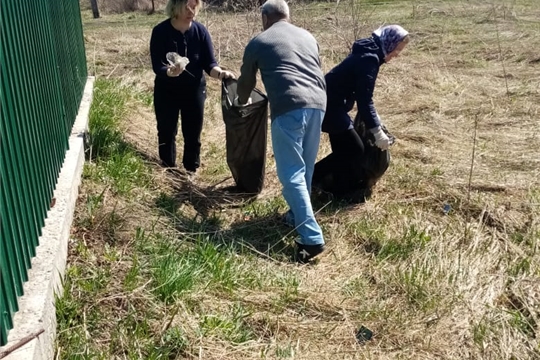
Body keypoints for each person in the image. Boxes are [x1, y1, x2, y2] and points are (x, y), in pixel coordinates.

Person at [236, 0, 327, 263]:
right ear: (288, 16)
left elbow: (246, 83)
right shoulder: (308, 36)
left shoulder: (260, 41)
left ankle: (311, 239)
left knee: (291, 174)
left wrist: (240, 103)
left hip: (289, 106)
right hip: (319, 104)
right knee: (305, 167)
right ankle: (294, 215)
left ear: (265, 17)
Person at [312, 25, 410, 200]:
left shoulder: (370, 54)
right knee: (354, 149)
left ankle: (336, 188)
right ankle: (312, 178)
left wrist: (373, 121)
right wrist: (377, 132)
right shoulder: (370, 59)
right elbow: (365, 100)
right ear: (389, 43)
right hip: (329, 105)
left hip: (331, 103)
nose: (397, 54)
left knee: (344, 149)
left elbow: (361, 95)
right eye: (397, 49)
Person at [150, 0, 234, 172]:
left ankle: (191, 169)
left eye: (195, 6)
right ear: (175, 7)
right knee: (166, 131)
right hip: (166, 90)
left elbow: (209, 63)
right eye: (187, 6)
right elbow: (157, 65)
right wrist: (169, 72)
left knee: (193, 132)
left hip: (194, 89)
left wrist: (220, 73)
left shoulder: (200, 31)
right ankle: (168, 168)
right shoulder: (160, 31)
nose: (192, 11)